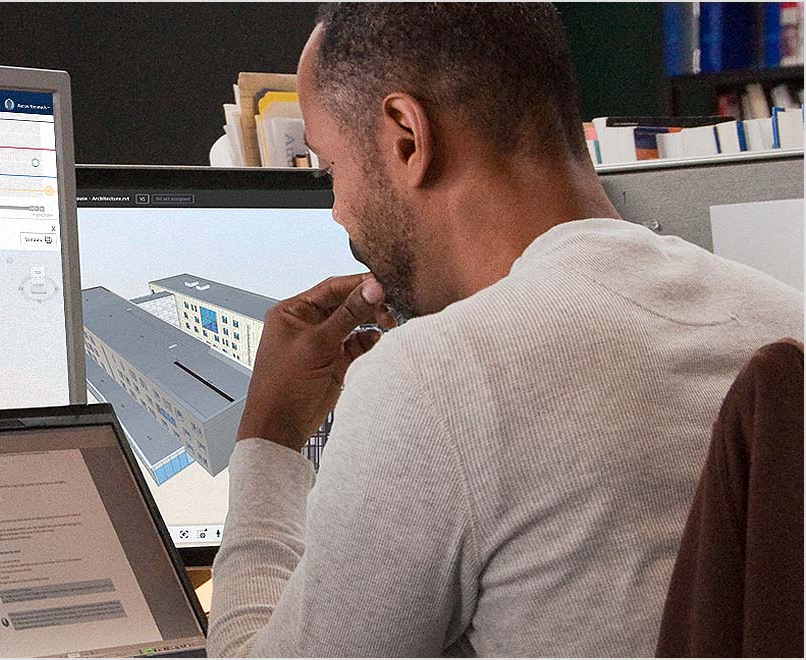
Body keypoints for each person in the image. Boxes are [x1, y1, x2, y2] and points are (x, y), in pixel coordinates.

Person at [205, 4, 804, 657]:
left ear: (407, 135)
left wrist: (269, 434)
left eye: (330, 169)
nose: (339, 210)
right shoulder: (784, 320)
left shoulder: (436, 379)